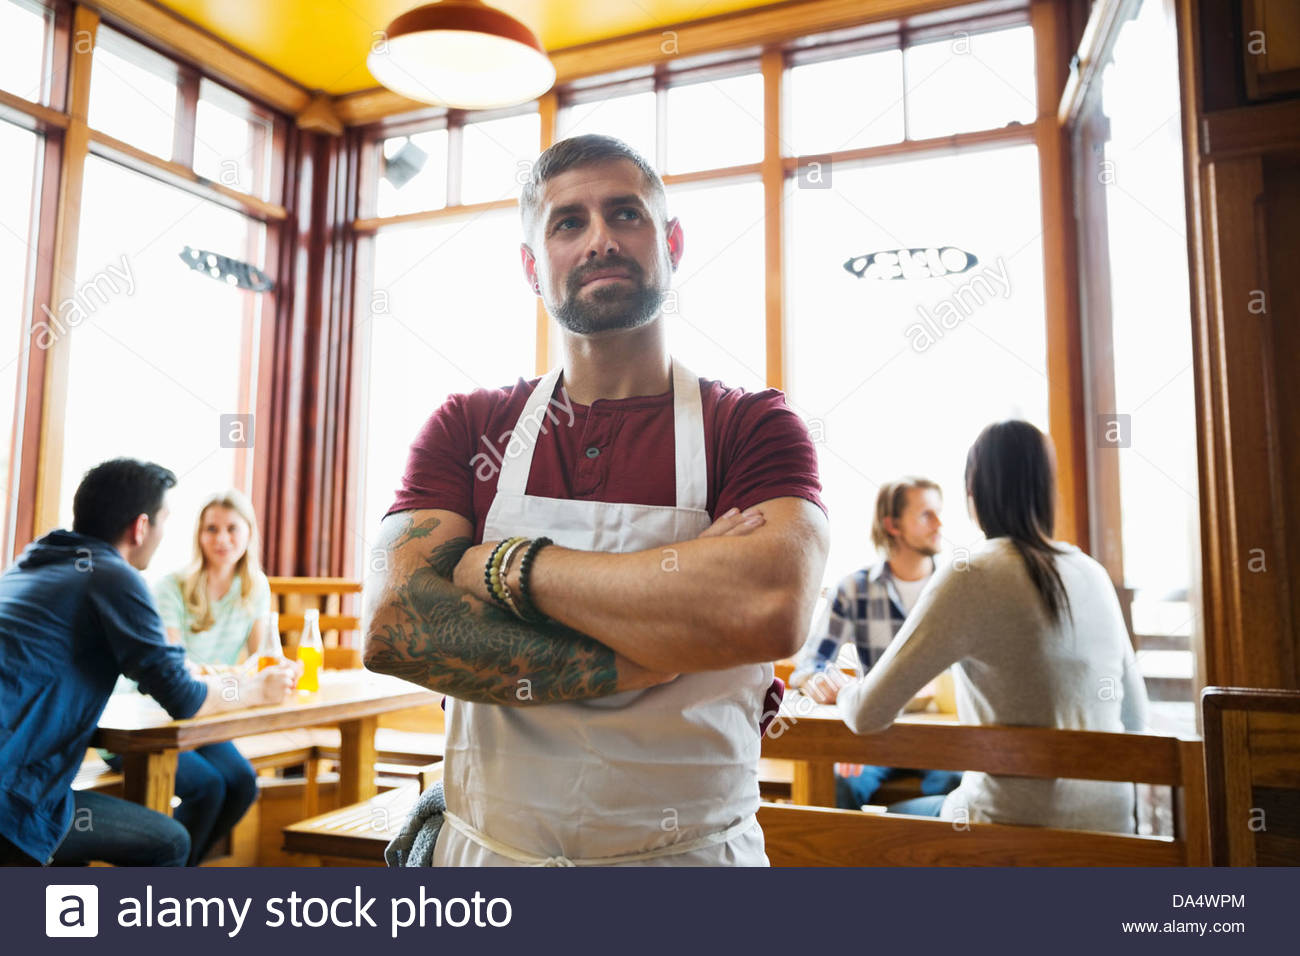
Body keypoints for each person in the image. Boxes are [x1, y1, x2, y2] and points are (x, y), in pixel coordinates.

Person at [364, 133, 829, 866]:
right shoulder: (468, 426)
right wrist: (657, 653)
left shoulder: (750, 426)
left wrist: (504, 567)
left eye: (627, 215)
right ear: (531, 266)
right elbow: (396, 628)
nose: (601, 239)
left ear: (672, 242)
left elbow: (768, 608)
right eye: (567, 223)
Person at [826, 421, 1148, 829]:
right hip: (1112, 829)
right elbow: (1136, 718)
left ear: (973, 495)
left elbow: (867, 713)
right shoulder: (1092, 573)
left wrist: (841, 692)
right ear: (1049, 491)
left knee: (874, 832)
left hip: (1009, 831)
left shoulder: (970, 573)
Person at [0, 459, 299, 867]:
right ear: (141, 527)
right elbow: (183, 696)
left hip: (25, 778)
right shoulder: (113, 576)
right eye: (164, 521)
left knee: (226, 786)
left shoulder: (33, 561)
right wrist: (256, 689)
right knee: (169, 842)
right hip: (15, 799)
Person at [790, 477, 962, 810]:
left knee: (954, 784)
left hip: (941, 739)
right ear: (892, 525)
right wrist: (820, 682)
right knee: (840, 784)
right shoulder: (854, 589)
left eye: (939, 514)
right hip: (874, 733)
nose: (939, 524)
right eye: (927, 515)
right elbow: (811, 665)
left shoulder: (956, 589)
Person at [123, 489, 271, 865]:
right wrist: (235, 675)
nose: (222, 539)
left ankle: (178, 874)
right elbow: (177, 674)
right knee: (207, 787)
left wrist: (268, 670)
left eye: (232, 529)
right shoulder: (171, 586)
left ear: (249, 533)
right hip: (146, 717)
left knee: (240, 785)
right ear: (199, 535)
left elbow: (263, 660)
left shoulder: (255, 587)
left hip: (204, 713)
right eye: (211, 529)